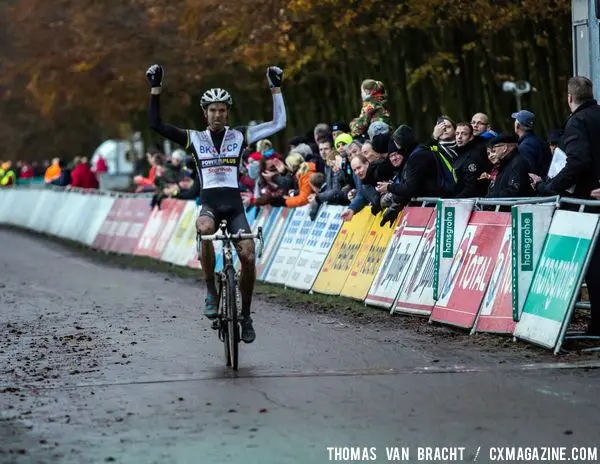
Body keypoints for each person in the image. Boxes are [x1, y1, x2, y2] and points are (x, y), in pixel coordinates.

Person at [146, 63, 286, 343]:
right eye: (212, 110)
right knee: (204, 227)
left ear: (228, 112)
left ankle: (245, 316)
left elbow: (278, 123)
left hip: (234, 207)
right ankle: (211, 289)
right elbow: (156, 125)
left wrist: (275, 88)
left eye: (222, 110)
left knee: (248, 255)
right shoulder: (194, 138)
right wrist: (155, 89)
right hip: (210, 204)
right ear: (205, 113)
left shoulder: (241, 135)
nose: (217, 114)